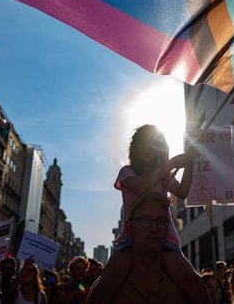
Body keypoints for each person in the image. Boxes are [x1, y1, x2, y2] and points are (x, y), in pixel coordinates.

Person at [86, 124, 208, 304]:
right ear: (137, 149)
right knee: (105, 286)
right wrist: (172, 164)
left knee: (196, 283)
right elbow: (142, 187)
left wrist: (189, 163)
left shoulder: (164, 175)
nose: (150, 150)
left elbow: (182, 191)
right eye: (147, 145)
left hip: (165, 239)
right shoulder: (127, 173)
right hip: (131, 240)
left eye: (155, 145)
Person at [91, 191, 192, 303]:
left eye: (161, 221)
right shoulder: (110, 286)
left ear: (167, 227)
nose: (154, 228)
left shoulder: (184, 287)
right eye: (145, 220)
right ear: (129, 228)